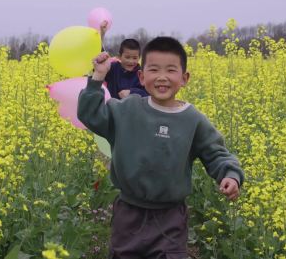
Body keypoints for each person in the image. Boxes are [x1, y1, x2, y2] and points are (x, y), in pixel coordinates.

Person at [78, 36, 244, 258]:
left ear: (184, 78)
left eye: (171, 70)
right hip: (129, 212)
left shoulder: (192, 119)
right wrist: (98, 76)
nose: (162, 77)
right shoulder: (127, 110)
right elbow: (91, 115)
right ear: (141, 76)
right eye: (154, 70)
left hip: (171, 217)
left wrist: (230, 175)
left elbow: (215, 153)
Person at [98, 21, 147, 99]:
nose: (131, 61)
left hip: (133, 110)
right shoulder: (113, 68)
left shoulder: (142, 74)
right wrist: (102, 35)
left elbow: (149, 93)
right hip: (112, 109)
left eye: (135, 58)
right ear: (119, 57)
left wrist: (131, 92)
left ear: (139, 57)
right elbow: (101, 59)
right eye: (127, 57)